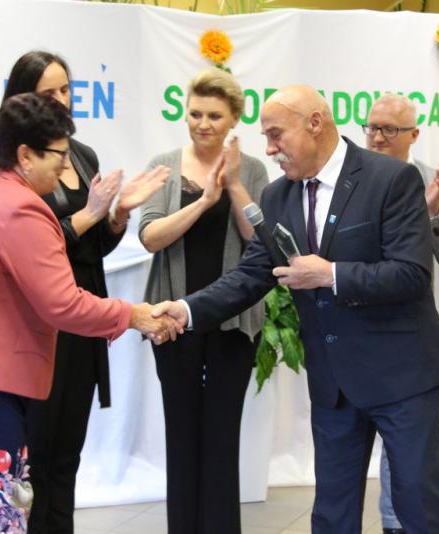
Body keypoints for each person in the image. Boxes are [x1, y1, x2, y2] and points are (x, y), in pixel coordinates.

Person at [154, 85, 439, 534]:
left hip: (402, 377)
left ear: (315, 123)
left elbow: (411, 274)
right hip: (334, 382)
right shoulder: (278, 196)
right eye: (266, 137)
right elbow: (252, 273)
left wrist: (331, 274)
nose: (269, 149)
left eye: (276, 134)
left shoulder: (391, 179)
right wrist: (186, 309)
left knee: (418, 502)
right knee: (332, 511)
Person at [0, 93, 178, 534]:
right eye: (58, 154)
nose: (65, 165)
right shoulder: (20, 209)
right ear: (25, 155)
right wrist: (134, 314)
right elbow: (62, 303)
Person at [0, 51, 168, 534]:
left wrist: (117, 215)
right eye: (48, 92)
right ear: (22, 99)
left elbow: (94, 251)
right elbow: (37, 244)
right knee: (36, 454)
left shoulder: (82, 154)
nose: (62, 100)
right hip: (42, 322)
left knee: (67, 453)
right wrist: (90, 213)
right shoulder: (14, 164)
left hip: (84, 316)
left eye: (66, 89)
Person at [138, 68, 268, 534]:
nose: (203, 123)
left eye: (214, 115)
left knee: (221, 435)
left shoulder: (253, 169)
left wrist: (232, 185)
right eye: (195, 113)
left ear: (234, 119)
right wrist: (203, 201)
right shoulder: (164, 164)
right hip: (173, 323)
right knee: (181, 433)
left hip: (234, 321)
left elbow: (260, 239)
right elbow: (150, 237)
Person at [364, 93, 439, 534]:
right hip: (359, 331)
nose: (378, 137)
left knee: (408, 451)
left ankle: (396, 524)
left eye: (390, 129)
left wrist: (432, 210)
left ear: (413, 135)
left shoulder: (432, 181)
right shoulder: (350, 179)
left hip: (410, 337)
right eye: (372, 127)